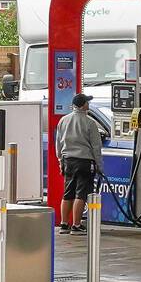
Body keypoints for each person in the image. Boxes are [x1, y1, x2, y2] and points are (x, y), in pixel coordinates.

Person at [56, 93, 103, 235]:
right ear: (83, 105)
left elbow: (58, 142)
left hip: (68, 160)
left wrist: (60, 160)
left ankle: (64, 224)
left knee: (68, 192)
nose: (88, 104)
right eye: (87, 102)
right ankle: (76, 225)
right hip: (84, 162)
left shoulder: (63, 120)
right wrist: (99, 165)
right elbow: (96, 147)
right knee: (81, 194)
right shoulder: (90, 123)